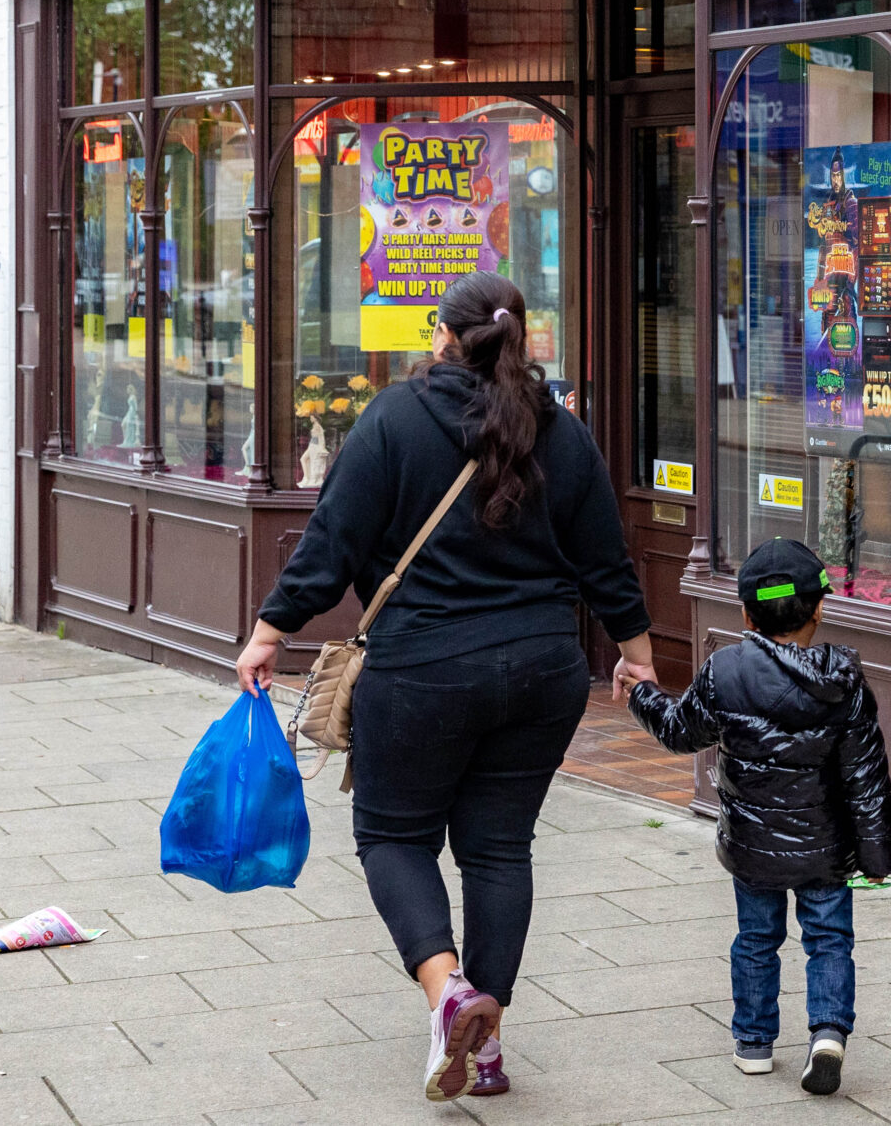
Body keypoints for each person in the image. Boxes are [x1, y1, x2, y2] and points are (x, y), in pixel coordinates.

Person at [237, 271, 656, 1104]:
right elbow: (608, 559)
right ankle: (486, 1041)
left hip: (423, 671)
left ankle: (450, 993)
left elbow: (331, 542)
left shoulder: (395, 417)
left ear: (442, 334)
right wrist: (639, 656)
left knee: (394, 838)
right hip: (542, 670)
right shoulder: (560, 432)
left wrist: (269, 631)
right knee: (499, 848)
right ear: (520, 336)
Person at [624, 538, 891, 1097]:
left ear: (746, 615)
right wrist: (876, 856)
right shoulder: (844, 680)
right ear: (820, 608)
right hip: (826, 848)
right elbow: (866, 775)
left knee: (756, 938)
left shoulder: (725, 671)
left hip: (754, 846)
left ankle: (753, 1045)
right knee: (829, 939)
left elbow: (679, 731)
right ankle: (826, 1034)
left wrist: (642, 694)